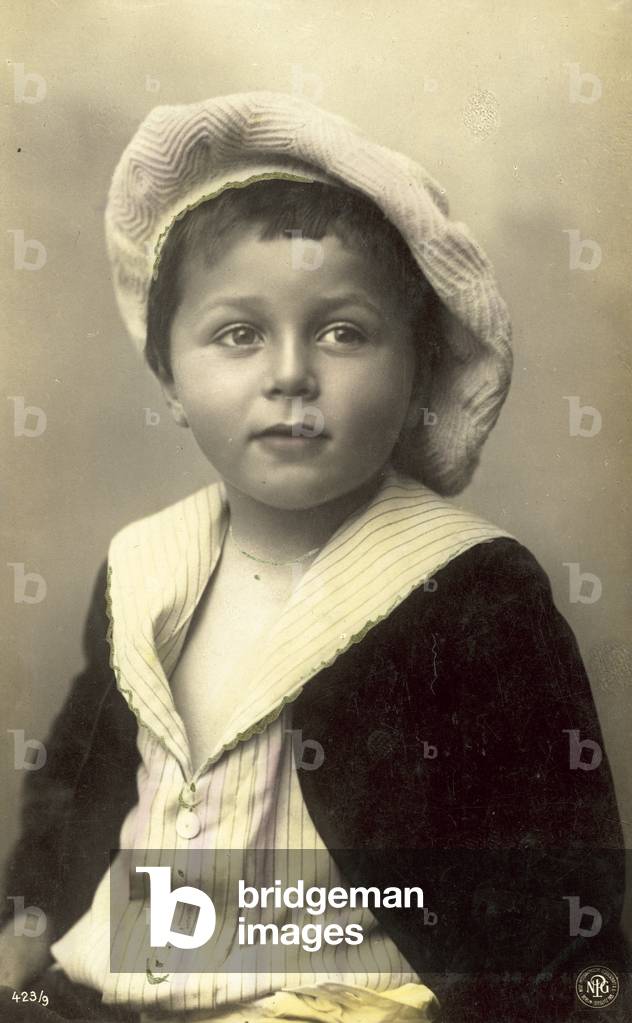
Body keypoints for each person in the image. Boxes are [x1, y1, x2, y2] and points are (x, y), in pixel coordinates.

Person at [0, 92, 628, 1023]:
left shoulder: (469, 588)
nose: (291, 372)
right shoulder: (145, 564)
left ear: (415, 368)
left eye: (343, 331)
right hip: (103, 992)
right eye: (238, 333)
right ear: (170, 378)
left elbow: (559, 888)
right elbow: (82, 787)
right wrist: (28, 925)